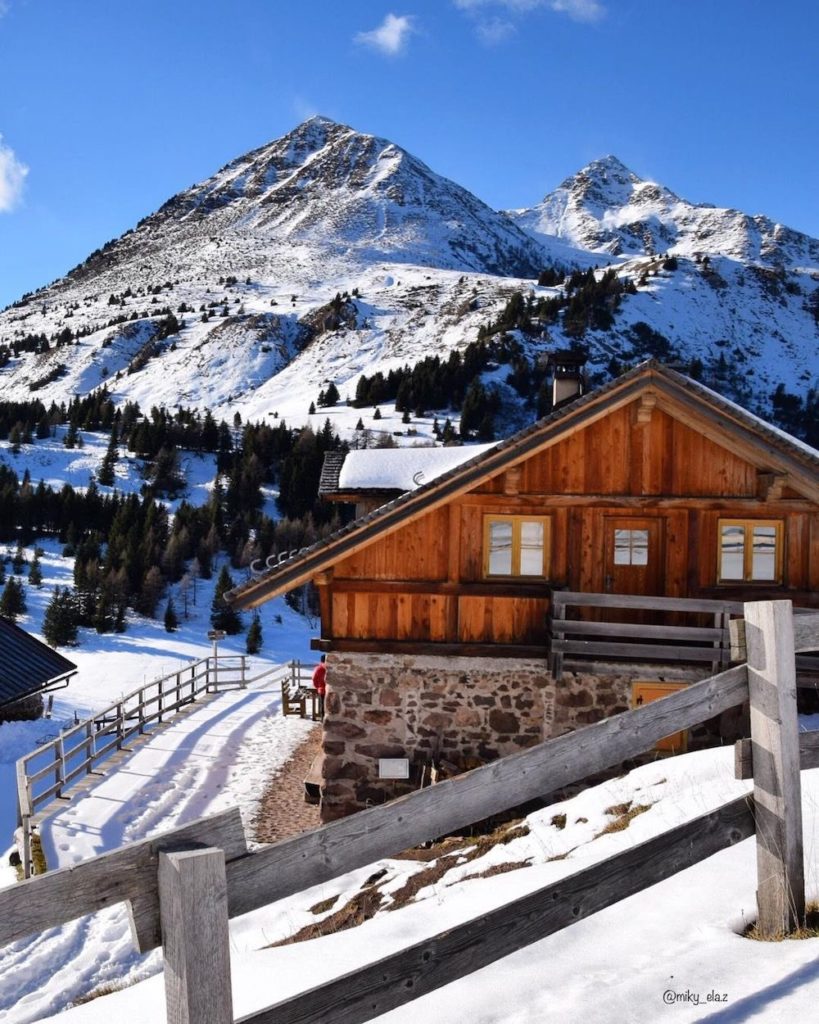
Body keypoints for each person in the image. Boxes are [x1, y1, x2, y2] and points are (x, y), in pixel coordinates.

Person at [312, 654, 326, 718]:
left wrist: (318, 687)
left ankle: (322, 719)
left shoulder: (318, 668)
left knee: (322, 705)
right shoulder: (329, 668)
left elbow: (314, 679)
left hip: (321, 689)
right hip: (330, 689)